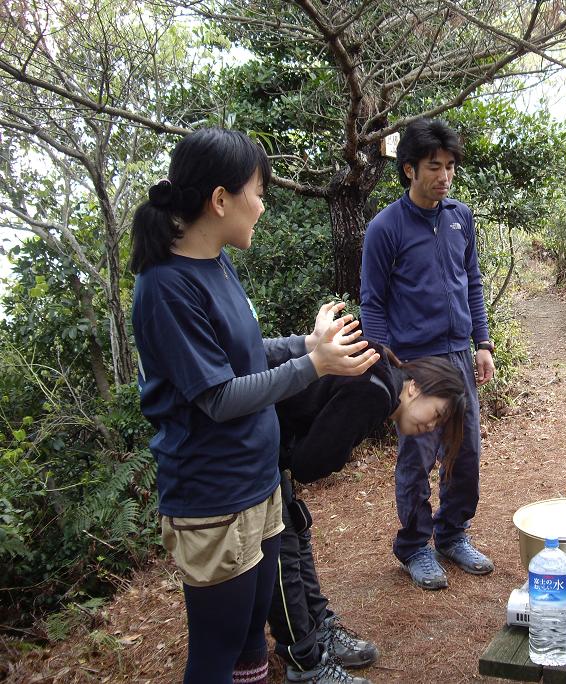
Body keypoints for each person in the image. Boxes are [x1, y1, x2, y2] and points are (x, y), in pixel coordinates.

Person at [129, 127, 379, 684]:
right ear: (221, 199)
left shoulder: (217, 262)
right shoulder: (166, 287)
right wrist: (314, 366)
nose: (263, 206)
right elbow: (217, 397)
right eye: (258, 192)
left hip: (257, 483)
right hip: (215, 499)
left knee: (249, 644)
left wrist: (307, 346)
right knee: (216, 654)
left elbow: (244, 352)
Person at [269, 343, 467, 683]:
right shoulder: (375, 392)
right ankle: (305, 665)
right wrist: (337, 450)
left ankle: (319, 629)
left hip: (268, 434)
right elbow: (309, 464)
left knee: (296, 532)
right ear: (415, 388)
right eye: (436, 414)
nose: (430, 427)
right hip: (253, 435)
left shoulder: (380, 372)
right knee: (283, 548)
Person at [360, 118, 496, 590]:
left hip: (459, 354)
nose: (445, 176)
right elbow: (372, 302)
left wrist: (483, 343)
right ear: (409, 170)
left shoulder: (460, 217)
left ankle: (452, 534)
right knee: (417, 459)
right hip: (414, 362)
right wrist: (387, 370)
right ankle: (415, 545)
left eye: (450, 166)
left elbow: (471, 282)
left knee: (466, 453)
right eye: (434, 167)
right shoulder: (386, 228)